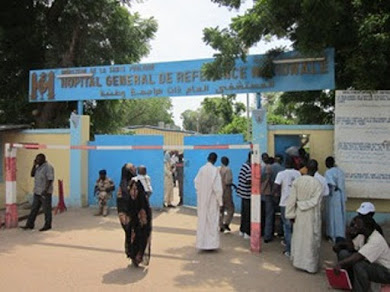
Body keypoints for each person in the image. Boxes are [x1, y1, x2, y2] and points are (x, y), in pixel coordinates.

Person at [334, 215, 390, 291]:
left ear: (366, 227)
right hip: (373, 265)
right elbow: (351, 248)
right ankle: (349, 283)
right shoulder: (363, 235)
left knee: (359, 265)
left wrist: (340, 264)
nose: (355, 226)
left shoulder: (376, 240)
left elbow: (358, 256)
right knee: (344, 254)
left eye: (358, 224)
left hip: (386, 272)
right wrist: (348, 236)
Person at [285, 159, 323, 273]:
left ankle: (298, 262)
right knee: (311, 239)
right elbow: (317, 201)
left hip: (299, 213)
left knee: (299, 237)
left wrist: (291, 214)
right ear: (316, 169)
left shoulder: (298, 181)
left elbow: (291, 200)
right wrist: (305, 205)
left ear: (306, 168)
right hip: (312, 214)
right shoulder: (317, 184)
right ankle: (310, 265)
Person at [117, 178, 152, 267]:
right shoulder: (129, 201)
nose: (133, 192)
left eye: (136, 189)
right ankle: (133, 256)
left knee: (142, 239)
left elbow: (146, 218)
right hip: (133, 226)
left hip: (142, 227)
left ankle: (139, 256)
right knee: (132, 239)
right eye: (132, 189)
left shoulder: (143, 202)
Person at [194, 152, 223, 250]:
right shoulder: (215, 171)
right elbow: (218, 188)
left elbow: (196, 183)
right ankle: (211, 245)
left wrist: (201, 194)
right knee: (212, 222)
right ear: (215, 160)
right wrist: (220, 202)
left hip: (202, 200)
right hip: (212, 201)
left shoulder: (201, 169)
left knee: (203, 222)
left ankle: (201, 244)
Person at [273, 156, 301, 256]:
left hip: (285, 203)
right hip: (296, 203)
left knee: (287, 226)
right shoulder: (298, 173)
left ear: (285, 164)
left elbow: (276, 187)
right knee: (295, 227)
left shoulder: (281, 174)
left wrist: (275, 196)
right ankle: (296, 249)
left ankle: (289, 250)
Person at [21, 154, 55, 232]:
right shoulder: (38, 167)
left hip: (45, 192)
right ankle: (29, 224)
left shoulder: (48, 167)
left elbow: (50, 179)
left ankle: (47, 225)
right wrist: (34, 165)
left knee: (46, 210)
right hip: (37, 192)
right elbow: (32, 174)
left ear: (43, 159)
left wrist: (45, 190)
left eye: (39, 159)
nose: (37, 161)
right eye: (36, 159)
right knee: (34, 209)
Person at [325, 156, 347, 243]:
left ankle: (333, 235)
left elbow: (330, 184)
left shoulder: (328, 172)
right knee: (340, 215)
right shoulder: (340, 171)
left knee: (332, 215)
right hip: (340, 195)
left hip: (333, 195)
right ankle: (341, 234)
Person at [237, 152, 252, 239]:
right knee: (248, 213)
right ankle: (246, 232)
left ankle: (242, 230)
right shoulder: (249, 167)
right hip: (247, 193)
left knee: (244, 213)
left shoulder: (244, 165)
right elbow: (248, 180)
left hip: (243, 193)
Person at [219, 156, 235, 233]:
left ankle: (220, 224)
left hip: (219, 191)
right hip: (226, 191)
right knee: (231, 208)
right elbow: (228, 182)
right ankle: (226, 223)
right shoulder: (228, 170)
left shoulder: (218, 169)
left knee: (220, 209)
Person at [261, 156, 275, 243]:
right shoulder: (268, 168)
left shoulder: (260, 167)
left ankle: (262, 232)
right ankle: (267, 235)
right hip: (267, 193)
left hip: (260, 193)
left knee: (262, 214)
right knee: (269, 214)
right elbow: (269, 181)